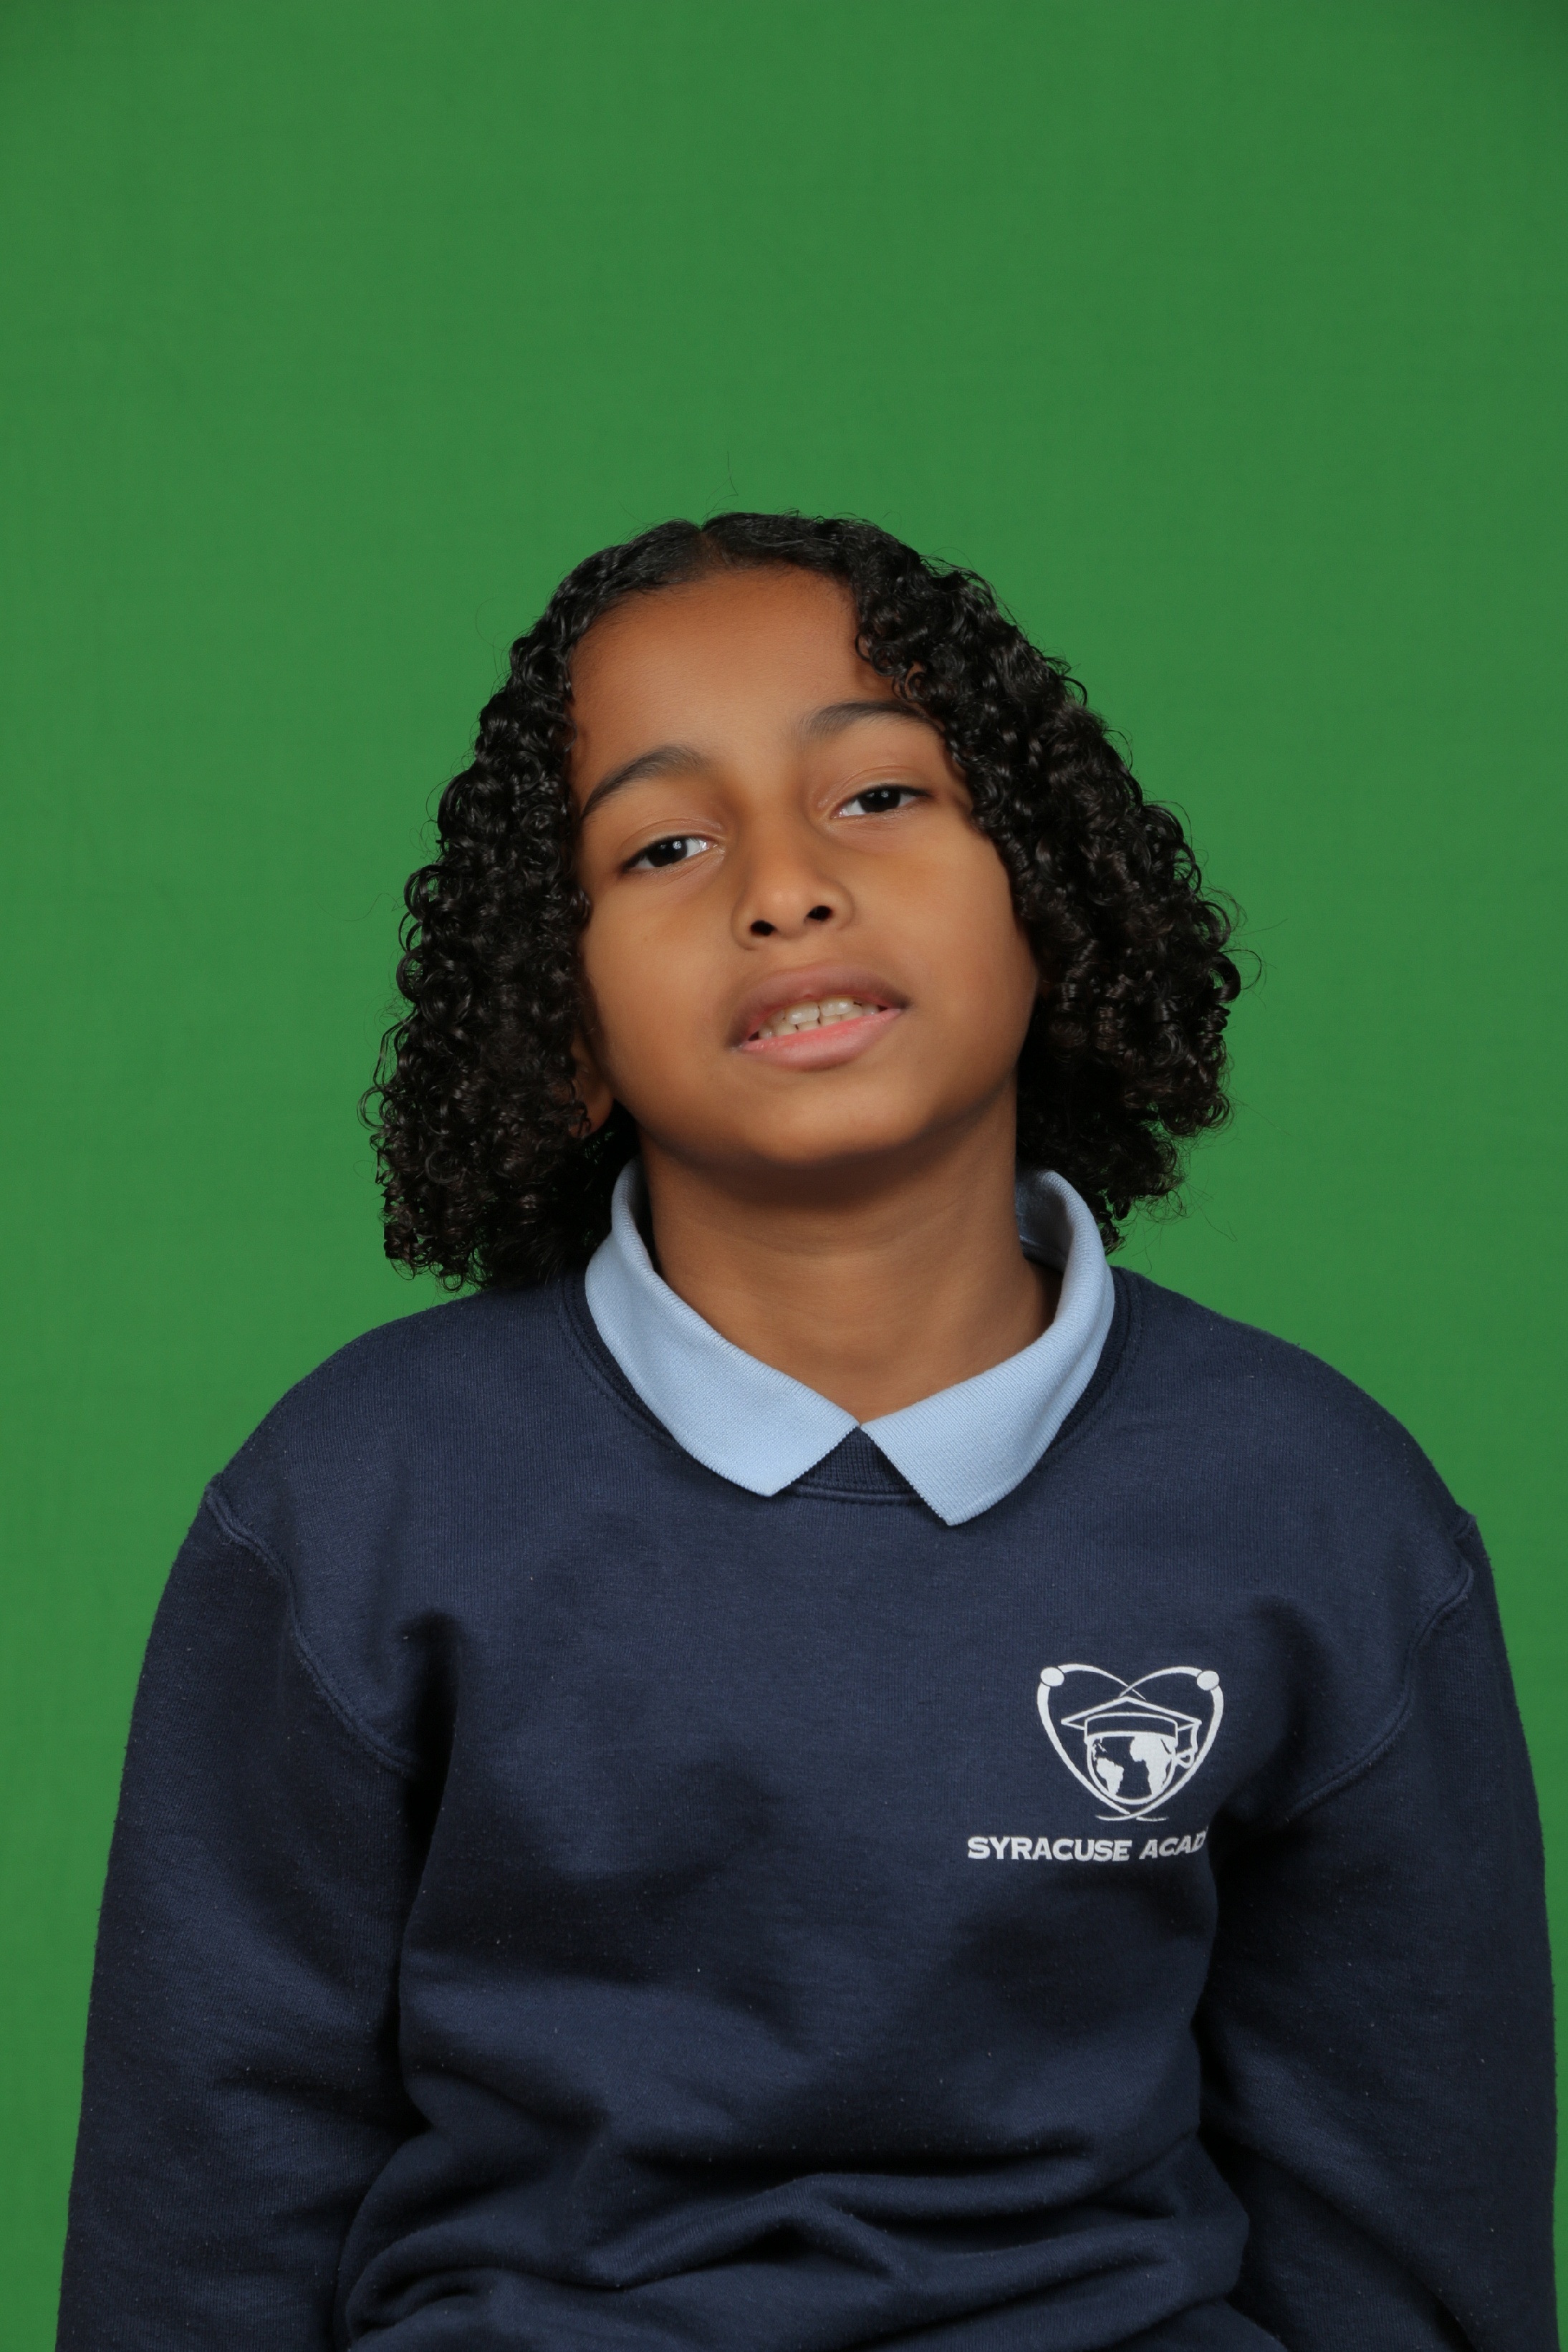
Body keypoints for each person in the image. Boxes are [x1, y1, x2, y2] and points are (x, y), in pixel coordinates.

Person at [58, 513, 1555, 2350]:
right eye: (665, 845)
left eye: (880, 796)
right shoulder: (355, 1501)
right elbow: (203, 2200)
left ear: (1048, 895)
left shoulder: (1321, 1510)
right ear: (564, 1020)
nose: (784, 888)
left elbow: (1413, 2213)